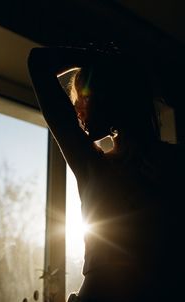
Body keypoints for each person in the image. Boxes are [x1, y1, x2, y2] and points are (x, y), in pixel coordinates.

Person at [27, 46, 184, 302]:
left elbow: (38, 62)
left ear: (109, 97)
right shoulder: (96, 165)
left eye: (84, 98)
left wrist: (102, 64)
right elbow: (37, 60)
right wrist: (101, 61)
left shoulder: (95, 167)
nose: (77, 110)